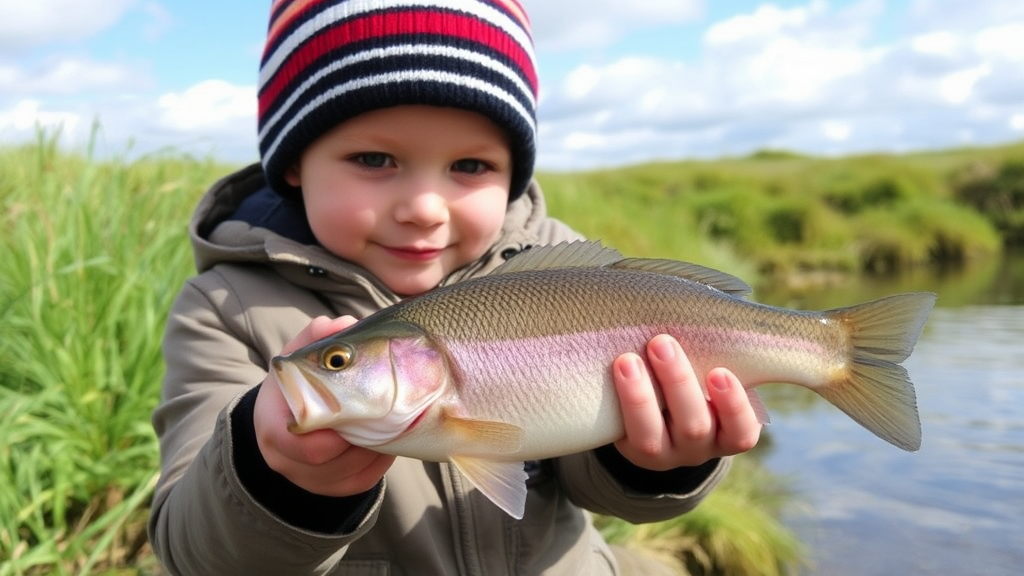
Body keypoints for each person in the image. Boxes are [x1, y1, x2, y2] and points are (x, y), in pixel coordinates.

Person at [147, 1, 763, 574]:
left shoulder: (566, 274)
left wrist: (657, 460)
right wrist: (273, 477)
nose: (423, 208)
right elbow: (191, 554)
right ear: (293, 163)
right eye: (373, 160)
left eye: (470, 166)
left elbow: (604, 492)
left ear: (514, 177)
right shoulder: (224, 310)